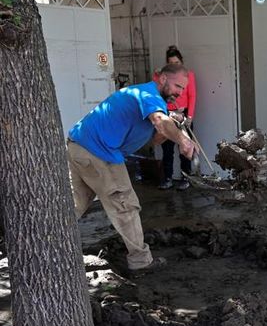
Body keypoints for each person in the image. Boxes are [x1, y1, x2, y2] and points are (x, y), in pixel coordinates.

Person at [67, 64, 195, 272]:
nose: (180, 93)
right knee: (125, 205)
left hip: (79, 145)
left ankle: (44, 243)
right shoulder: (148, 94)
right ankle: (141, 262)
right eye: (177, 86)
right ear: (162, 78)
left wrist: (173, 127)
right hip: (99, 150)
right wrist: (183, 141)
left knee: (75, 203)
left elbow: (155, 139)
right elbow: (160, 122)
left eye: (183, 89)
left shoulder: (150, 99)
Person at [159, 46, 197, 190]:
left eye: (177, 62)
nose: (174, 65)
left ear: (181, 61)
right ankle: (168, 178)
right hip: (168, 114)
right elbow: (159, 93)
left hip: (184, 115)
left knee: (185, 147)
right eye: (171, 63)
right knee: (167, 149)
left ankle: (186, 177)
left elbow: (192, 96)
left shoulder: (189, 75)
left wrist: (190, 116)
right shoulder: (163, 77)